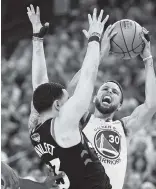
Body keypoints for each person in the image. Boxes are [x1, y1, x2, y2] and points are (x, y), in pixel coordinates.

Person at [28, 5, 156, 189]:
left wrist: (148, 59)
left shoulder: (124, 127)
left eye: (115, 92)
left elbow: (151, 105)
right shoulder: (80, 119)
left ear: (120, 105)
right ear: (94, 96)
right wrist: (98, 48)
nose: (109, 92)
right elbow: (75, 88)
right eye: (105, 88)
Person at [27, 4, 116, 189]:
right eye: (68, 99)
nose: (70, 101)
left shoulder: (34, 127)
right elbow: (87, 79)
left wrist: (37, 39)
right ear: (58, 105)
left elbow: (39, 84)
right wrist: (94, 39)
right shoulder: (63, 123)